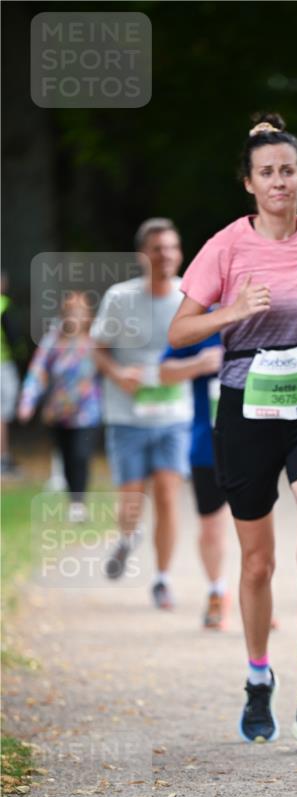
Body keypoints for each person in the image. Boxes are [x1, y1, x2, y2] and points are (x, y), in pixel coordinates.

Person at [169, 112, 297, 749]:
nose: (279, 181)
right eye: (267, 173)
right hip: (246, 412)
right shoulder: (225, 247)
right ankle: (257, 679)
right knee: (257, 563)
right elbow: (179, 332)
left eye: (288, 171)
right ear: (249, 183)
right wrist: (232, 312)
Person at [92, 218, 191, 609]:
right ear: (141, 256)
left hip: (173, 415)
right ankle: (128, 536)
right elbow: (97, 348)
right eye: (156, 248)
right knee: (132, 501)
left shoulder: (190, 297)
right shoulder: (120, 298)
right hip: (127, 418)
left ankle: (162, 579)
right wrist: (118, 374)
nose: (165, 255)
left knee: (167, 495)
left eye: (171, 247)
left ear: (179, 253)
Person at [160, 332, 233, 629]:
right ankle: (217, 590)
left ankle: (258, 597)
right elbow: (164, 372)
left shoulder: (262, 318)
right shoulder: (200, 322)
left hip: (256, 443)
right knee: (211, 529)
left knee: (257, 530)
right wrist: (198, 364)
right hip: (208, 444)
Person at [18, 292, 101, 521]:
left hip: (87, 413)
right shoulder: (52, 341)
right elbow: (37, 372)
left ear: (87, 316)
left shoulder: (95, 340)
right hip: (59, 413)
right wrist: (27, 402)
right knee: (67, 458)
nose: (74, 317)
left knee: (80, 455)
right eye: (71, 312)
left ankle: (79, 503)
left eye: (79, 313)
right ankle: (73, 501)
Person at [1, 272, 22, 477]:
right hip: (3, 364)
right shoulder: (4, 304)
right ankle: (3, 458)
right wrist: (21, 356)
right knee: (3, 413)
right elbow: (15, 338)